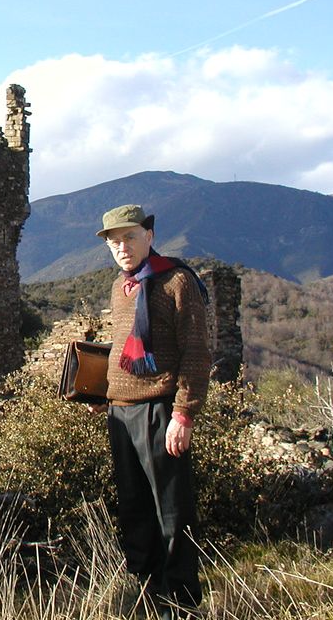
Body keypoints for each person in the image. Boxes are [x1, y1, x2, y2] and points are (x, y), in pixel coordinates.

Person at [94, 205, 211, 619]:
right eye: (114, 241)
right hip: (120, 414)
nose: (122, 248)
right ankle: (146, 595)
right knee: (134, 509)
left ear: (149, 235)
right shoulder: (119, 288)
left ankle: (180, 603)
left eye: (129, 237)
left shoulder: (178, 282)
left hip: (160, 412)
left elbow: (196, 351)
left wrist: (184, 414)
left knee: (171, 511)